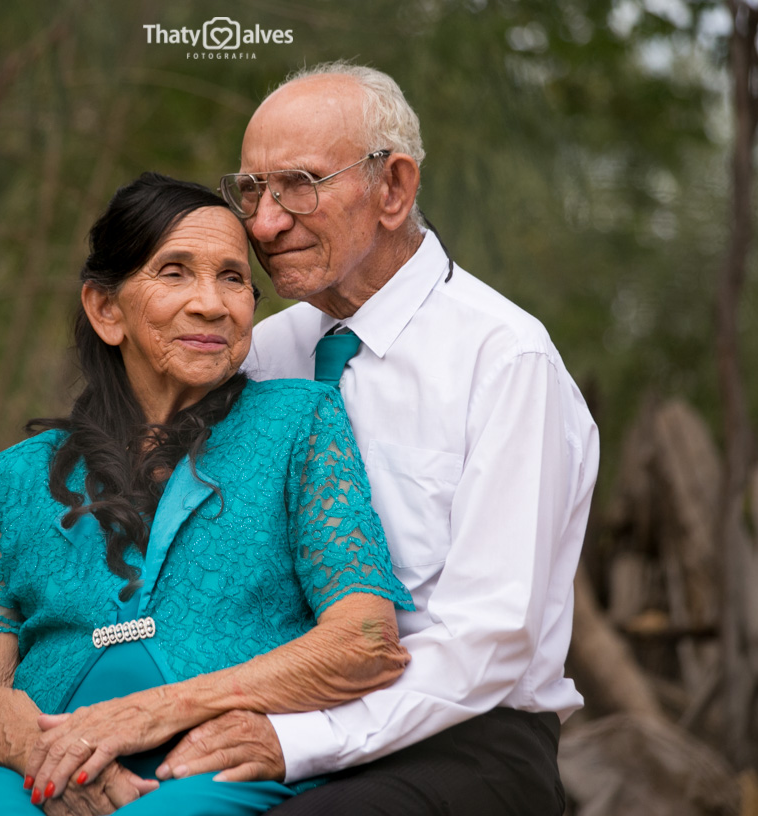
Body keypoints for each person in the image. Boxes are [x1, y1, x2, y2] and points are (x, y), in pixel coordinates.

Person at [153, 62, 601, 815]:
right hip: (265, 709)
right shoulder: (261, 354)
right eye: (252, 191)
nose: (263, 224)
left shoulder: (504, 360)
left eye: (298, 185)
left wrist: (296, 741)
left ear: (393, 188)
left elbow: (487, 641)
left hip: (464, 739)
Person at [0, 172, 416, 816]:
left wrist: (154, 712)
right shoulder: (14, 481)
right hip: (42, 763)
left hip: (209, 763)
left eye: (233, 278)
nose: (212, 304)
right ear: (107, 310)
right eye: (175, 273)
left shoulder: (298, 424)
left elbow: (367, 641)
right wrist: (43, 752)